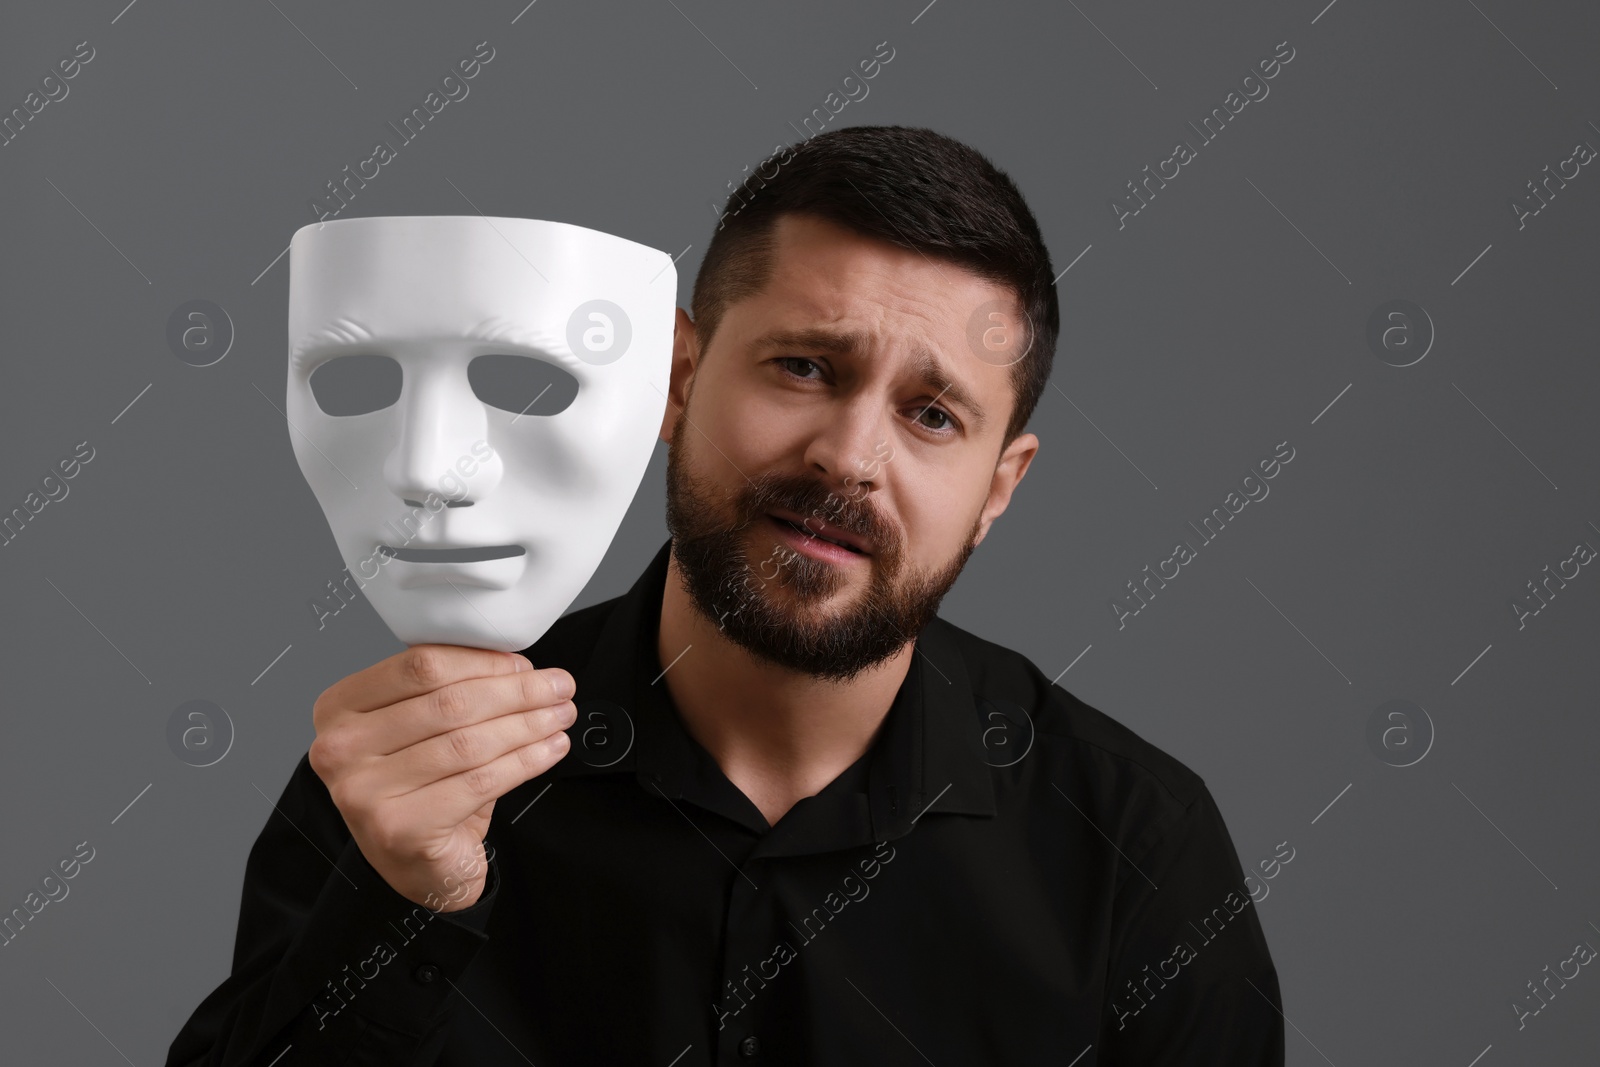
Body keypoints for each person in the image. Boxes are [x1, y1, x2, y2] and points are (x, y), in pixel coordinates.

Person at [167, 124, 1284, 1066]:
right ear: (679, 378)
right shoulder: (415, 769)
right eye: (804, 366)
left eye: (930, 415)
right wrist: (404, 902)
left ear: (998, 486)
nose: (849, 456)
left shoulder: (1137, 845)